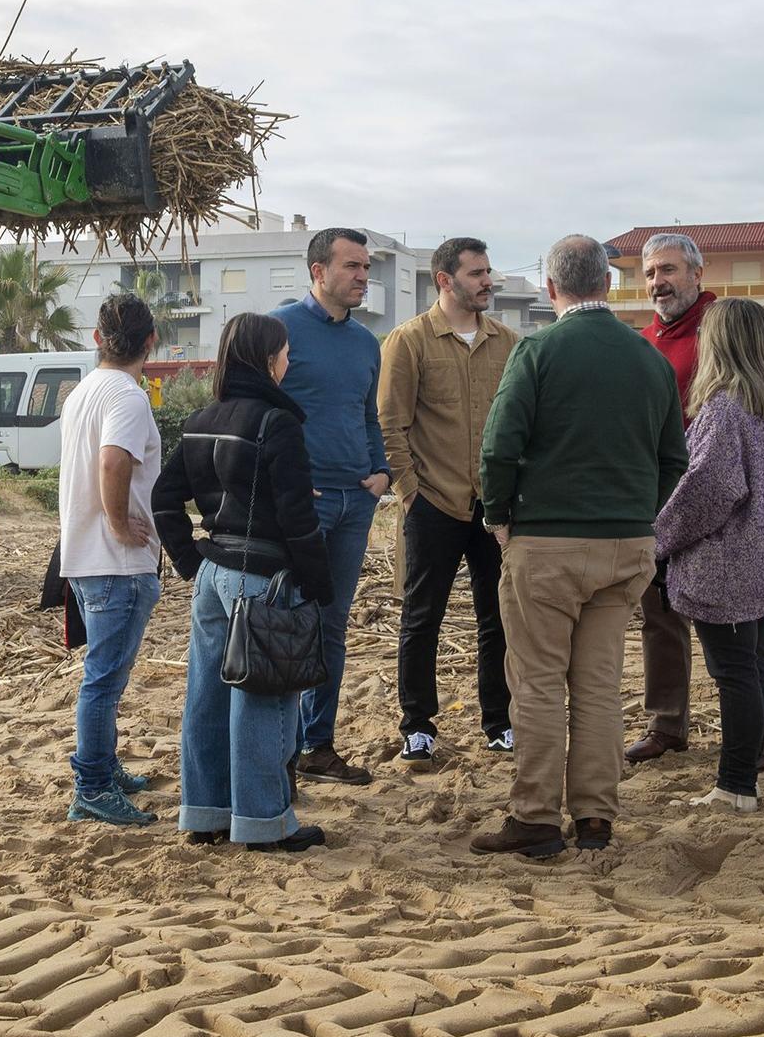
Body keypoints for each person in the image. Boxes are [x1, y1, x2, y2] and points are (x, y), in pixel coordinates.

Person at [472, 235, 687, 857]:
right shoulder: (647, 357)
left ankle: (536, 817)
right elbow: (674, 458)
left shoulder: (539, 349)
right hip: (625, 546)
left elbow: (499, 445)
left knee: (538, 682)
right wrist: (639, 514)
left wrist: (499, 516)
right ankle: (595, 816)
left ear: (550, 287)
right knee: (598, 685)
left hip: (547, 541)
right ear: (610, 285)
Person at [153, 313, 334, 851]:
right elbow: (298, 518)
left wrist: (193, 560)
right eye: (283, 352)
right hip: (262, 578)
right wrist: (318, 585)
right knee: (264, 697)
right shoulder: (276, 424)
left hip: (214, 574)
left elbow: (164, 499)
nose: (288, 361)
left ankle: (204, 816)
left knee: (206, 697)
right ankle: (264, 824)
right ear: (264, 358)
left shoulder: (201, 417)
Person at [654, 298, 764, 813]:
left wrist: (659, 537)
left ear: (718, 344)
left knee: (735, 672)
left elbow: (710, 488)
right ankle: (746, 774)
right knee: (751, 665)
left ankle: (736, 786)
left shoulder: (723, 409)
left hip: (730, 561)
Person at [378, 237, 518, 762]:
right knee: (422, 617)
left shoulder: (508, 342)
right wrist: (410, 492)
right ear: (445, 280)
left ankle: (499, 722)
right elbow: (391, 424)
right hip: (432, 502)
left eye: (488, 272)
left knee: (498, 617)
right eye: (477, 273)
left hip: (494, 505)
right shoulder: (408, 341)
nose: (488, 282)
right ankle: (417, 725)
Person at [274, 227, 391, 786]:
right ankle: (280, 752)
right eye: (352, 266)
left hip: (355, 502)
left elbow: (368, 415)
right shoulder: (280, 329)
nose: (363, 276)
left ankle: (318, 746)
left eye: (366, 267)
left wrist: (381, 470)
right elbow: (251, 409)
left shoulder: (367, 343)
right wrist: (287, 484)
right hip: (302, 505)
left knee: (330, 626)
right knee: (285, 624)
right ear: (318, 271)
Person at [58, 294, 164, 827]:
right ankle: (93, 786)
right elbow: (113, 460)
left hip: (86, 557)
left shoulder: (82, 392)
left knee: (104, 677)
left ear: (98, 338)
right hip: (115, 561)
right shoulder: (127, 395)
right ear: (151, 341)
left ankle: (102, 767)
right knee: (103, 679)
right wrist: (121, 524)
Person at [624, 232, 719, 767]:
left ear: (697, 274)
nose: (658, 282)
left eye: (669, 270)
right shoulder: (642, 341)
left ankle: (755, 733)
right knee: (659, 616)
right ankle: (667, 724)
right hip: (655, 499)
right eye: (650, 273)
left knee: (728, 618)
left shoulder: (720, 331)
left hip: (711, 496)